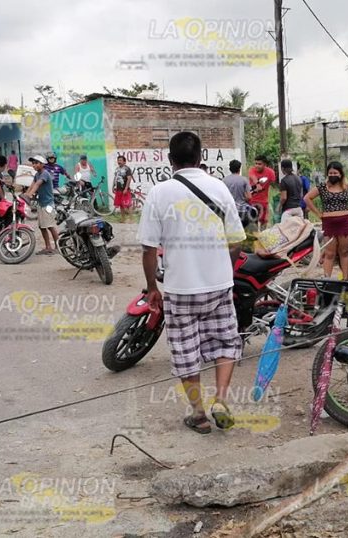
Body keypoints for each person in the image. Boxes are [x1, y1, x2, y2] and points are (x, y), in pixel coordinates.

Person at [137, 131, 246, 435]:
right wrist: (224, 269)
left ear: (170, 160)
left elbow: (148, 249)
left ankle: (198, 414)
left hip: (179, 288)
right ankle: (221, 400)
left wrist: (151, 288)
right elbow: (237, 241)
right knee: (225, 341)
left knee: (185, 350)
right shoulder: (220, 189)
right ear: (202, 157)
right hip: (219, 285)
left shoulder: (159, 193)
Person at [304, 161, 348, 279]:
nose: (332, 175)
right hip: (328, 222)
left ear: (341, 173)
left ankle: (345, 277)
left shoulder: (347, 187)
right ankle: (327, 278)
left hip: (345, 221)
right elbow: (307, 198)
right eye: (330, 173)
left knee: (344, 252)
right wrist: (318, 213)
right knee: (330, 253)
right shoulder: (322, 187)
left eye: (335, 173)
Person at [23, 155, 59, 255]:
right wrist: (26, 194)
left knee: (50, 226)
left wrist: (29, 195)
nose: (34, 165)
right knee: (42, 227)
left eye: (36, 163)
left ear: (42, 164)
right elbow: (32, 185)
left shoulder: (44, 174)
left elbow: (37, 184)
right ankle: (48, 247)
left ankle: (58, 247)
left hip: (48, 204)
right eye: (33, 163)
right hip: (41, 203)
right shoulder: (37, 174)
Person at [223, 159, 253, 225]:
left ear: (230, 169)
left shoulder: (224, 180)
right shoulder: (244, 180)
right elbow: (249, 197)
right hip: (242, 211)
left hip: (229, 210)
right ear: (239, 169)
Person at [248, 155, 276, 228]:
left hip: (264, 201)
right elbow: (253, 177)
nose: (257, 166)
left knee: (264, 222)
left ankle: (262, 237)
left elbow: (274, 185)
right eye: (256, 163)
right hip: (252, 201)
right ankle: (254, 237)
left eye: (259, 164)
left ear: (265, 164)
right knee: (253, 222)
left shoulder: (270, 172)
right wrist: (257, 184)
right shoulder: (252, 170)